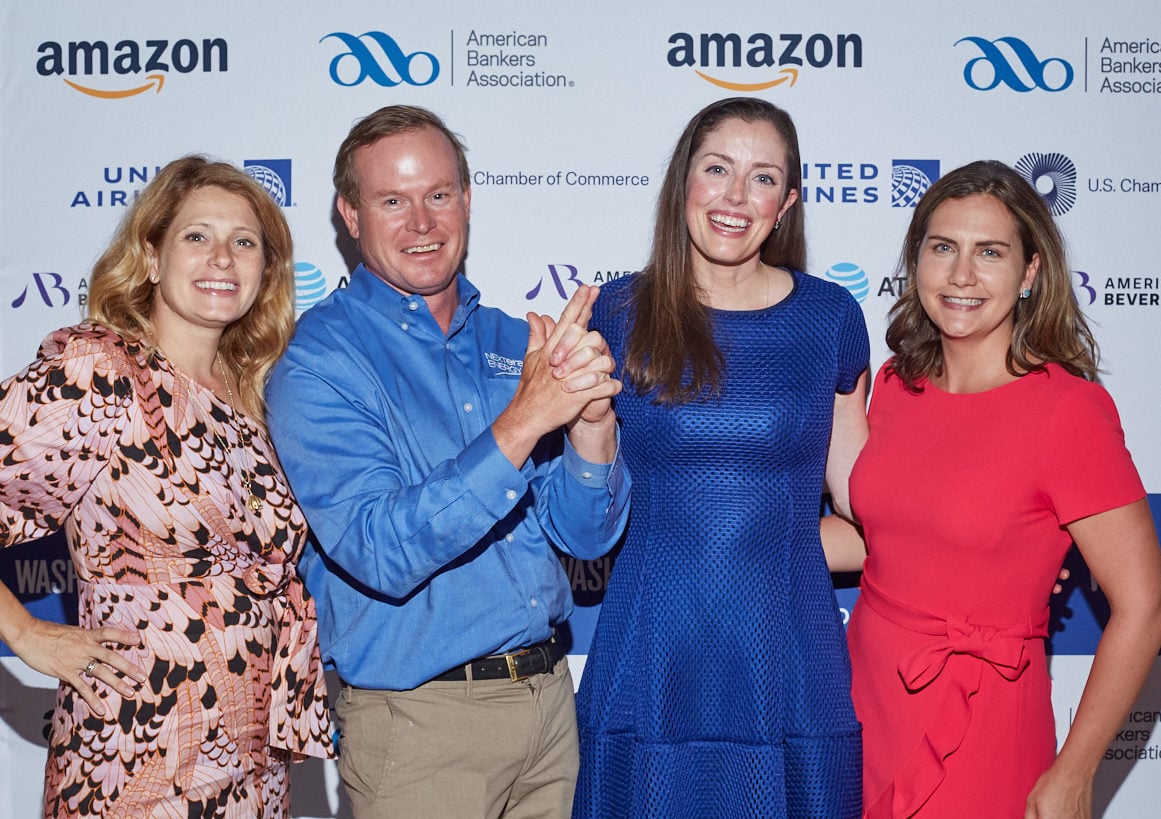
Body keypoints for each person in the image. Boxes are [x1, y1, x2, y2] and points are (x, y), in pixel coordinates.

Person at [264, 105, 630, 819]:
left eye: (438, 194)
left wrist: (591, 422)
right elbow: (379, 550)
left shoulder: (510, 340)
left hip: (550, 708)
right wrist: (524, 419)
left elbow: (586, 537)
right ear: (349, 214)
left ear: (466, 199)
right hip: (421, 725)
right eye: (392, 200)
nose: (421, 222)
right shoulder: (319, 362)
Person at [0, 156, 334, 817]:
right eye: (196, 236)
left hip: (251, 750)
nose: (222, 257)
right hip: (138, 746)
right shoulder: (99, 371)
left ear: (266, 270)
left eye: (245, 242)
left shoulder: (257, 393)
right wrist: (28, 633)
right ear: (150, 257)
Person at [573, 97, 869, 818]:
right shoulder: (614, 314)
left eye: (762, 178)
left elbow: (869, 510)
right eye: (717, 169)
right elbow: (585, 525)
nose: (736, 198)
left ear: (788, 202)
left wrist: (999, 558)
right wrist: (580, 413)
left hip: (788, 658)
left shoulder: (829, 318)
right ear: (683, 183)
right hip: (651, 654)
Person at [840, 160, 1161, 818]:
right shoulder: (899, 383)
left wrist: (1074, 771)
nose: (961, 275)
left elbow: (1143, 605)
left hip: (982, 719)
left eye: (989, 252)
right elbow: (887, 537)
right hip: (862, 702)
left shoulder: (1067, 411)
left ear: (1029, 272)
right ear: (916, 261)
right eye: (942, 248)